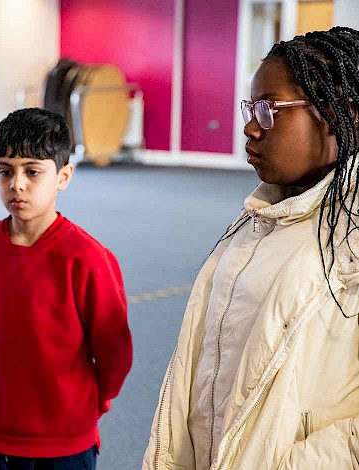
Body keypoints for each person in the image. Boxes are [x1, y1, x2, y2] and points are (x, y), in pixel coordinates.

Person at [142, 27, 359, 470]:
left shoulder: (350, 237)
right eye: (250, 108)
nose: (249, 127)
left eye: (268, 109)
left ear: (342, 116)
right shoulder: (260, 216)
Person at [0, 108, 133, 469]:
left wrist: (87, 406)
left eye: (32, 172)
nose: (16, 184)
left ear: (64, 176)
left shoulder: (88, 258)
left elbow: (115, 353)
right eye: (5, 171)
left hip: (65, 442)